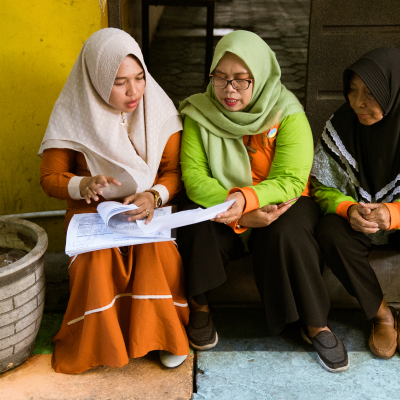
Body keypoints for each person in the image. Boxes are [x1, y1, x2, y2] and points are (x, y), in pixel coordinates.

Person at [177, 30, 349, 372]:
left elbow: (291, 179)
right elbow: (195, 178)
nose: (229, 89)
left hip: (279, 201)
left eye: (242, 80)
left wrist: (248, 200)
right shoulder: (199, 113)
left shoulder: (288, 114)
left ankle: (315, 323)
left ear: (263, 76)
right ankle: (200, 306)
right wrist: (238, 212)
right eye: (221, 78)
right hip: (225, 201)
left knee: (290, 231)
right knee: (192, 217)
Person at [39, 28, 189, 373]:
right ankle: (104, 342)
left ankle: (164, 337)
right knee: (97, 262)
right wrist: (84, 184)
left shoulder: (159, 111)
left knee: (154, 253)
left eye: (139, 77)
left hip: (146, 207)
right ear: (95, 78)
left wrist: (154, 195)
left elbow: (174, 173)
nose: (134, 91)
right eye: (119, 82)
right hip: (92, 211)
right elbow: (50, 179)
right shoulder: (71, 113)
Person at [311, 47, 400, 360]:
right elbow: (321, 185)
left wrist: (393, 213)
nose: (358, 102)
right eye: (352, 90)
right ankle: (382, 316)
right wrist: (347, 208)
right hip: (360, 220)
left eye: (371, 93)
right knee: (329, 231)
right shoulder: (342, 125)